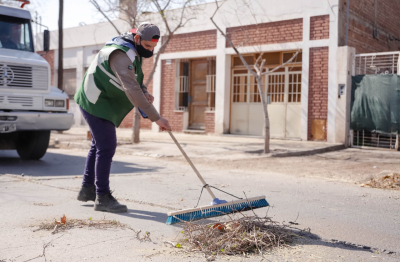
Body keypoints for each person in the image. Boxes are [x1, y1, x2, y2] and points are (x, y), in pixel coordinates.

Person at [74, 22, 171, 213]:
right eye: (147, 47)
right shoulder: (120, 52)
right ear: (137, 39)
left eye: (153, 47)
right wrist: (156, 117)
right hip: (94, 100)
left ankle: (87, 190)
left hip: (102, 100)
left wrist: (144, 92)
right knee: (107, 146)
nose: (150, 51)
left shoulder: (131, 48)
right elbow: (130, 88)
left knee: (99, 144)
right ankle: (102, 197)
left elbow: (133, 79)